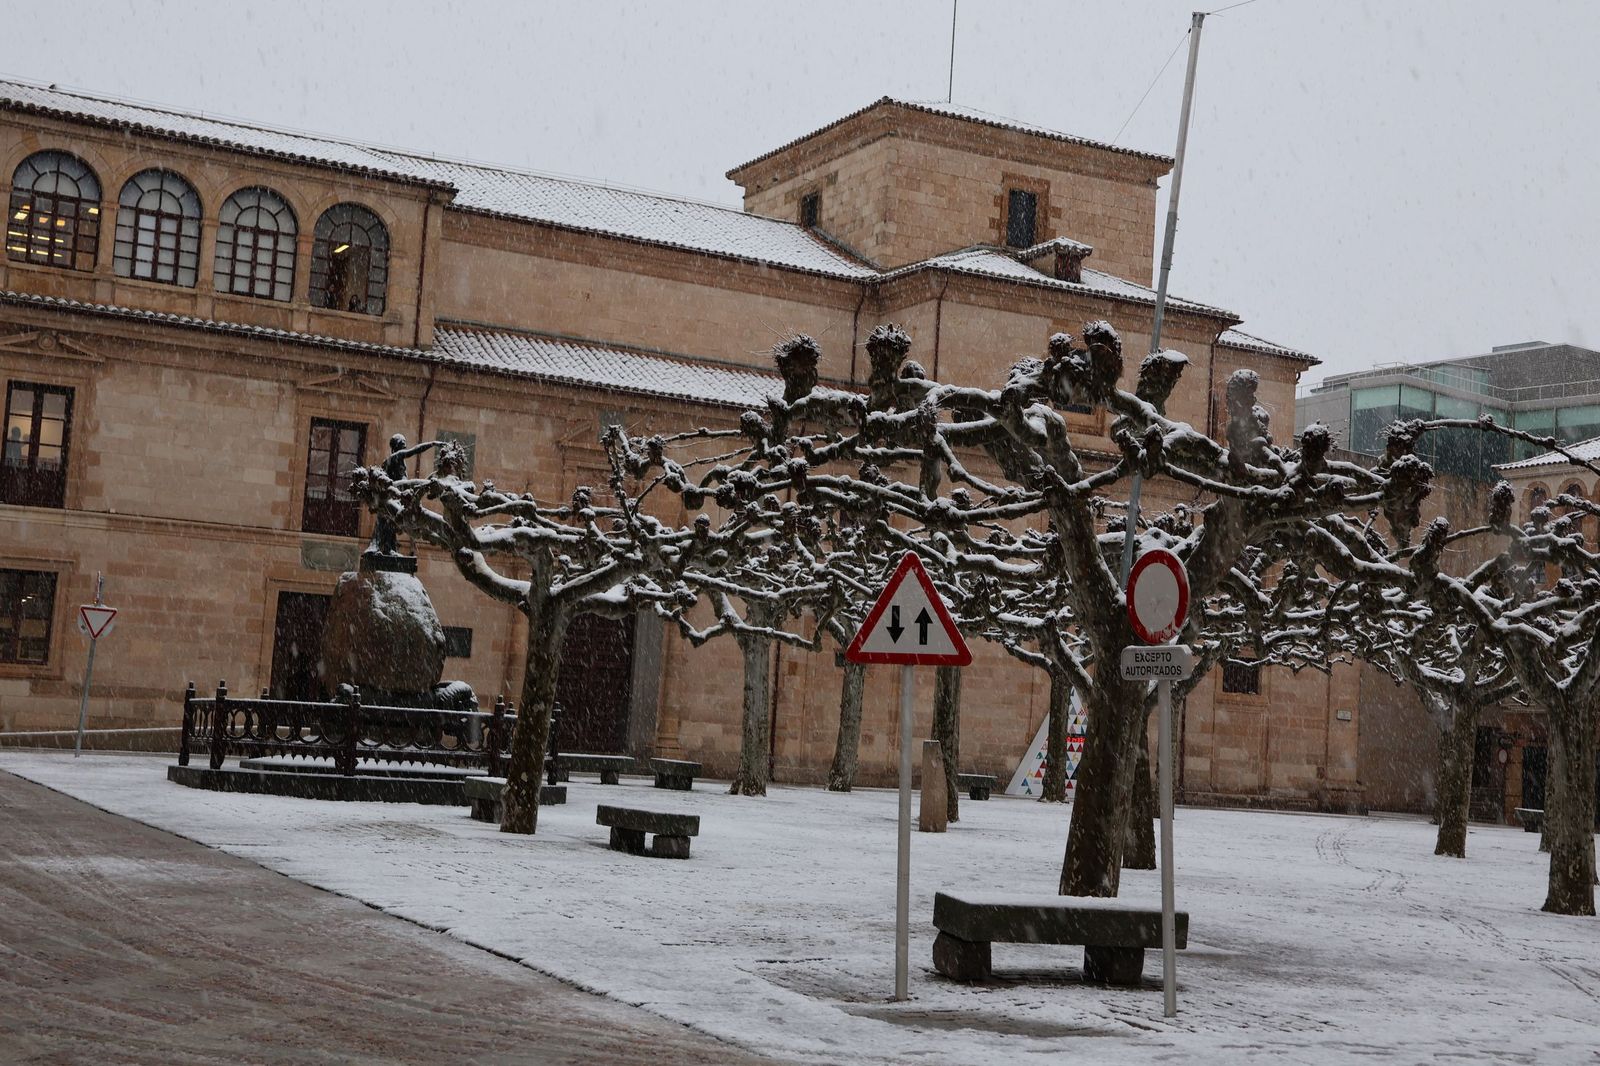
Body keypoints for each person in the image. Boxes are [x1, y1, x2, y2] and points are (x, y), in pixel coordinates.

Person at [366, 434, 441, 556]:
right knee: (387, 521)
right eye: (402, 444)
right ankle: (382, 547)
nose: (404, 446)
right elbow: (414, 451)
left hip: (395, 497)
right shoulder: (396, 456)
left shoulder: (392, 460)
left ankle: (387, 547)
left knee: (389, 522)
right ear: (396, 446)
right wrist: (432, 444)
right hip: (392, 496)